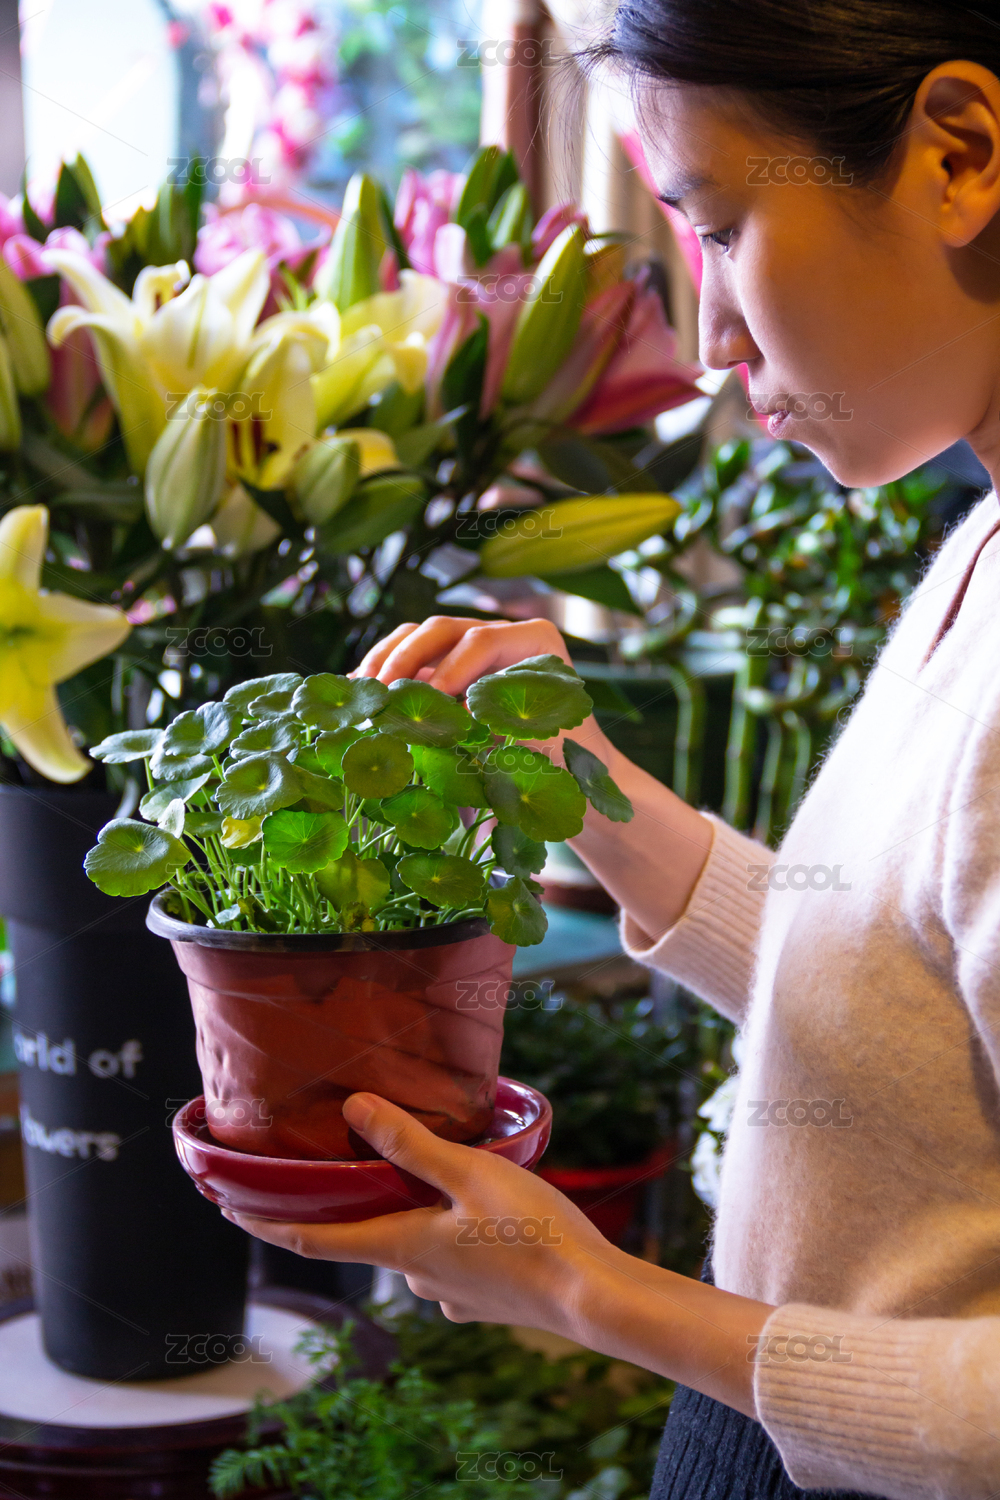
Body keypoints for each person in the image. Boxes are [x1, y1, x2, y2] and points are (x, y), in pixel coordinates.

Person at [222, 3, 1000, 1494]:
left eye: (718, 227)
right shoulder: (980, 544)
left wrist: (585, 1292)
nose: (710, 339)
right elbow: (905, 1001)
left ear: (959, 155)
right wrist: (581, 784)